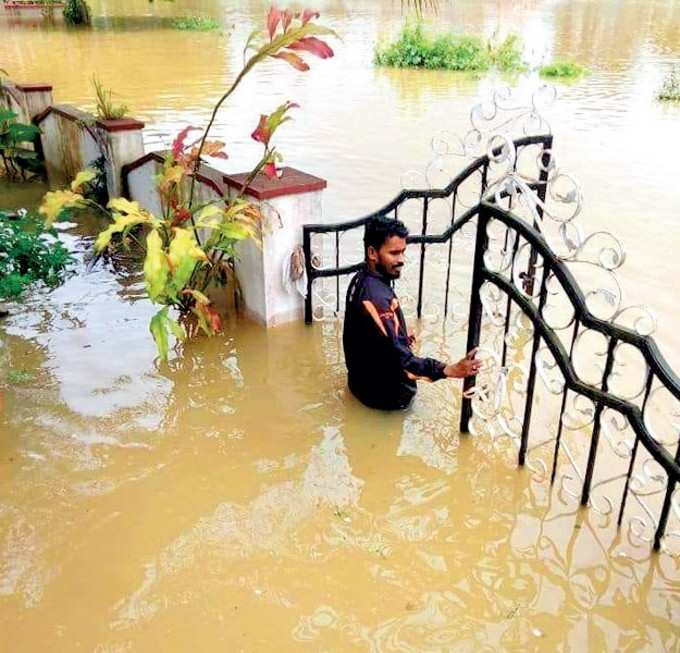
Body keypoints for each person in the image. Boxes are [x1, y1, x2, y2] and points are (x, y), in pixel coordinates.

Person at [343, 215, 480, 410]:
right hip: (384, 399)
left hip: (361, 386)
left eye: (403, 252)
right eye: (394, 253)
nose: (401, 260)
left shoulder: (360, 278)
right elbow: (403, 361)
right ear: (372, 252)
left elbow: (363, 335)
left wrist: (398, 338)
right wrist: (450, 369)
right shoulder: (377, 299)